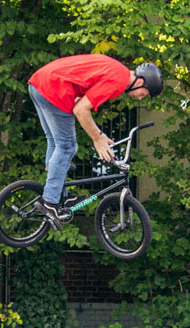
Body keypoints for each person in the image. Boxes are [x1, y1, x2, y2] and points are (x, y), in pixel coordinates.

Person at [27, 55, 162, 226]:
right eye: (143, 93)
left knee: (56, 142)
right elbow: (81, 109)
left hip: (39, 83)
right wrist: (97, 138)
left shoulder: (116, 69)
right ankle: (50, 202)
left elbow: (80, 97)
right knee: (67, 147)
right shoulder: (118, 81)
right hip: (54, 89)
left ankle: (59, 194)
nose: (140, 97)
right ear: (140, 81)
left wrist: (99, 134)